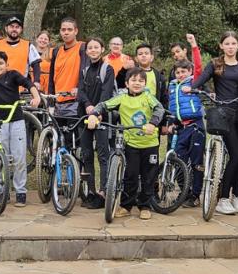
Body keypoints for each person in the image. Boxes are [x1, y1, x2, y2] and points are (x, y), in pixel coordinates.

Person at [189, 31, 238, 215]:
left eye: (233, 43)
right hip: (223, 113)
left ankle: (235, 196)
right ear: (221, 46)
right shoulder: (215, 64)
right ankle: (222, 198)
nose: (230, 46)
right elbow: (201, 79)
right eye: (227, 43)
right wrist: (193, 88)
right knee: (235, 155)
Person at [87, 67, 165, 220]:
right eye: (133, 80)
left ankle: (145, 206)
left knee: (148, 177)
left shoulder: (148, 97)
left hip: (149, 143)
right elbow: (103, 105)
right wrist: (94, 115)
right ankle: (126, 206)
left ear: (145, 84)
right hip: (131, 144)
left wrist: (153, 123)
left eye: (141, 81)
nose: (137, 83)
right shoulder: (122, 98)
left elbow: (159, 109)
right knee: (130, 176)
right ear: (127, 83)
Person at [0, 50, 42, 207]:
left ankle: (20, 191)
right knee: (2, 156)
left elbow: (28, 84)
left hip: (16, 120)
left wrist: (36, 97)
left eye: (0, 63)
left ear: (7, 65)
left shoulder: (13, 75)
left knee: (19, 157)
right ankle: (2, 188)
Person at [77, 37, 116, 209]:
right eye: (90, 48)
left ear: (102, 49)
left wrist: (97, 110)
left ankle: (103, 191)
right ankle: (91, 191)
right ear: (86, 51)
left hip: (102, 117)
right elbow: (81, 91)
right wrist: (87, 105)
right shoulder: (84, 70)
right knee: (86, 154)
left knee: (102, 154)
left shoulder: (108, 69)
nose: (93, 50)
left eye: (96, 47)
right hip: (85, 116)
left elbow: (107, 93)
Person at [166, 59, 205, 208]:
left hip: (195, 126)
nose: (181, 74)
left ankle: (195, 195)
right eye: (178, 72)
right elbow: (172, 106)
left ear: (190, 72)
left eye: (184, 71)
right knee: (178, 159)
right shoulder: (172, 86)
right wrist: (171, 123)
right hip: (180, 127)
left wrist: (194, 45)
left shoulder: (194, 82)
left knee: (196, 163)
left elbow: (199, 66)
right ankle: (184, 193)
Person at [48, 18, 85, 118]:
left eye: (69, 30)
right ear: (60, 31)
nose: (66, 33)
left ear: (76, 31)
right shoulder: (56, 51)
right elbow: (52, 76)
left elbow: (86, 72)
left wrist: (79, 87)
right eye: (63, 30)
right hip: (57, 101)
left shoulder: (82, 48)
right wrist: (50, 97)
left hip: (75, 101)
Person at [0, 17, 42, 86]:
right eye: (11, 26)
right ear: (6, 28)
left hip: (21, 88)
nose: (14, 29)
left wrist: (36, 81)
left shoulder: (28, 45)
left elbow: (36, 64)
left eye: (17, 27)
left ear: (21, 29)